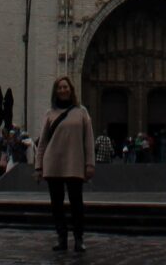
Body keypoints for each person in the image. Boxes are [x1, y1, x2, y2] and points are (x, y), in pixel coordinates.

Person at [34, 75, 96, 254]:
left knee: (77, 203)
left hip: (75, 164)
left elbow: (89, 140)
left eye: (65, 87)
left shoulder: (81, 112)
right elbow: (43, 142)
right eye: (60, 87)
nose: (63, 90)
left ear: (71, 90)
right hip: (53, 164)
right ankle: (62, 237)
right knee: (57, 204)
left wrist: (90, 164)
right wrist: (38, 166)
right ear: (56, 91)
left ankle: (79, 239)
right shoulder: (49, 113)